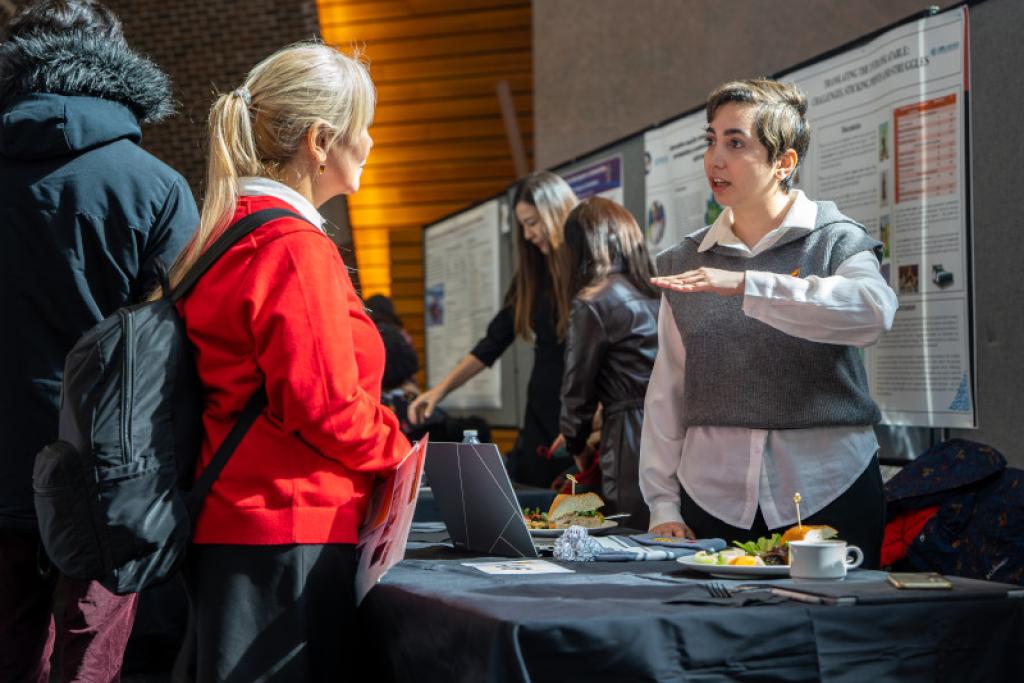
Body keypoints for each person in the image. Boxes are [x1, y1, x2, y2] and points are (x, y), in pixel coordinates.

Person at [170, 43, 410, 680]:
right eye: (364, 128)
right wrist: (403, 456)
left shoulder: (225, 230)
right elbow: (324, 406)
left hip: (240, 522)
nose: (371, 143)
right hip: (288, 527)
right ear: (321, 140)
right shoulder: (292, 244)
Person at [0, 1, 198, 680]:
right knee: (93, 656)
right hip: (111, 471)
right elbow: (188, 339)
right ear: (114, 67)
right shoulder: (156, 188)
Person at [639, 79, 898, 568]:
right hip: (709, 496)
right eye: (710, 140)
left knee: (829, 638)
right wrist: (662, 503)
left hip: (830, 487)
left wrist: (748, 285)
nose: (716, 158)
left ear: (785, 162)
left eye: (736, 143)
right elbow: (667, 391)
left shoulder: (836, 240)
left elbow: (873, 311)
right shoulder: (682, 260)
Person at [408, 171, 578, 487]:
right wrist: (439, 391)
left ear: (556, 212)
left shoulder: (587, 267)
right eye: (522, 225)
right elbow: (493, 342)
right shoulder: (532, 276)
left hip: (577, 415)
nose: (527, 235)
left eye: (533, 222)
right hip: (541, 414)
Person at [558, 197, 660, 529]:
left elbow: (577, 391)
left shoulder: (593, 301)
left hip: (629, 436)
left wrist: (576, 443)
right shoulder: (655, 292)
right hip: (676, 427)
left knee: (627, 532)